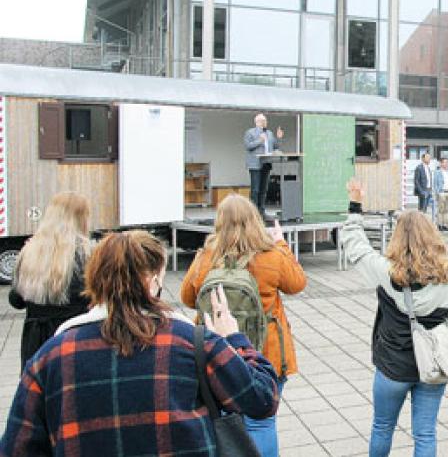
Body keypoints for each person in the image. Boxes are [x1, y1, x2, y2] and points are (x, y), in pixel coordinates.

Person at [0, 231, 280, 456]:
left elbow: (17, 446)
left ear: (95, 280)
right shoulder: (194, 342)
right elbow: (262, 399)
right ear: (154, 280)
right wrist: (234, 339)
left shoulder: (52, 355)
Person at [339, 179, 448, 457]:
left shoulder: (386, 273)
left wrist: (355, 204)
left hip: (392, 368)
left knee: (382, 427)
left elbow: (354, 243)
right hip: (433, 369)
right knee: (425, 434)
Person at [180, 194, 307, 456]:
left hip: (217, 355)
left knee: (225, 421)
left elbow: (187, 298)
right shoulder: (271, 255)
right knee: (262, 422)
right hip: (266, 351)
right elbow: (297, 284)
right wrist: (282, 244)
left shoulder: (207, 257)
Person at [8, 192, 92, 369]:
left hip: (36, 342)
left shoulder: (29, 252)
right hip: (76, 337)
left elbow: (16, 301)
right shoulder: (88, 255)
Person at [244, 113, 285, 217]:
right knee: (255, 189)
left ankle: (261, 211)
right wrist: (260, 140)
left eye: (265, 121)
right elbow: (248, 146)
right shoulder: (250, 132)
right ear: (257, 122)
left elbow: (276, 147)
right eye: (263, 121)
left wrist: (279, 138)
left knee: (263, 189)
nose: (265, 123)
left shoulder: (270, 133)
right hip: (255, 164)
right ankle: (252, 212)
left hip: (266, 163)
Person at [433, 157, 448, 232]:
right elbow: (435, 184)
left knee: (446, 210)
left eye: (447, 162)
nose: (446, 164)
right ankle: (439, 225)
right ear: (441, 163)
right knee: (440, 210)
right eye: (444, 162)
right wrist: (438, 192)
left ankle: (445, 225)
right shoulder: (437, 172)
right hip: (442, 192)